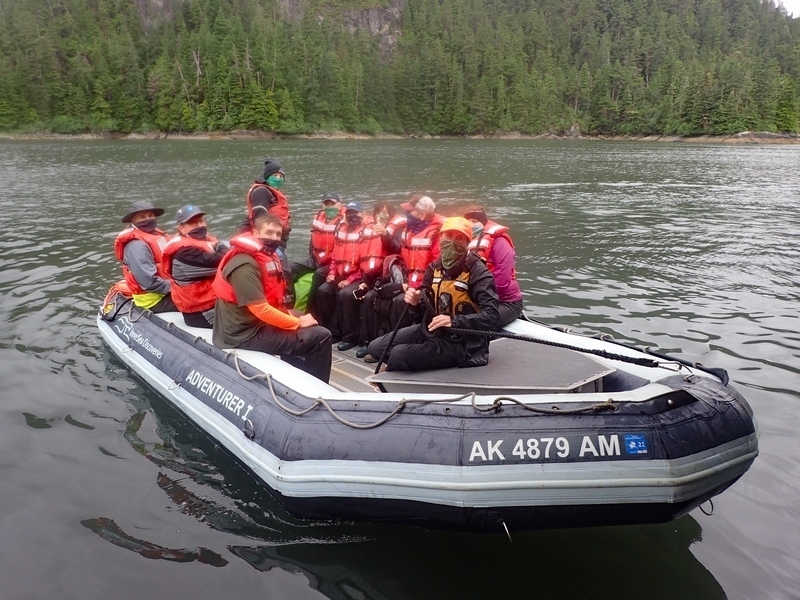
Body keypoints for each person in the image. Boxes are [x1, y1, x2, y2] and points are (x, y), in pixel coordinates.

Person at [366, 217, 500, 371]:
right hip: (432, 331)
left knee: (398, 354)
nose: (452, 242)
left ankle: (396, 371)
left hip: (462, 343)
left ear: (467, 243)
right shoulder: (433, 268)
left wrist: (455, 321)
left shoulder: (478, 272)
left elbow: (492, 318)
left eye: (459, 238)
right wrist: (415, 304)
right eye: (448, 236)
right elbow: (421, 314)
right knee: (376, 347)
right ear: (440, 238)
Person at [212, 212, 332, 383]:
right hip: (243, 333)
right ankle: (317, 390)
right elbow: (260, 309)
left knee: (297, 313)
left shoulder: (263, 257)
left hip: (252, 322)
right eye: (269, 233)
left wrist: (294, 318)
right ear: (255, 233)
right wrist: (296, 323)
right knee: (321, 336)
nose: (274, 238)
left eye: (278, 234)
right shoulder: (245, 264)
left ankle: (295, 373)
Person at [161, 205, 229, 328]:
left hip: (218, 304)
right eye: (193, 223)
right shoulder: (184, 253)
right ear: (181, 228)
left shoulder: (203, 241)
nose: (200, 226)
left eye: (201, 221)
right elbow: (230, 262)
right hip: (203, 313)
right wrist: (219, 245)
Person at [315, 201, 368, 347]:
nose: (352, 216)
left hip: (359, 277)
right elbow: (335, 257)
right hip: (341, 273)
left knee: (345, 294)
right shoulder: (341, 230)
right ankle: (328, 331)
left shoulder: (366, 233)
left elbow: (365, 264)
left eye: (355, 213)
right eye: (349, 213)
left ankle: (350, 337)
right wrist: (332, 273)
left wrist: (350, 279)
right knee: (323, 291)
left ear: (362, 214)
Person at [463, 205, 523, 326]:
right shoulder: (466, 243)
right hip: (479, 300)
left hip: (506, 302)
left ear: (484, 221)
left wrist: (479, 297)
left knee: (479, 323)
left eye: (475, 221)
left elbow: (502, 279)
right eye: (468, 222)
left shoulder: (500, 241)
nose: (471, 224)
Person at [114, 200, 176, 313]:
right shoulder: (136, 245)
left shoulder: (156, 235)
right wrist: (180, 288)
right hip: (155, 300)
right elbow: (149, 283)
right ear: (133, 220)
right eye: (142, 217)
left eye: (150, 215)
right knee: (205, 300)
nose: (148, 219)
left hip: (167, 289)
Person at [294, 192, 345, 318]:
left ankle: (310, 312)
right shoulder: (318, 217)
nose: (329, 207)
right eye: (326, 204)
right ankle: (289, 304)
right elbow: (313, 241)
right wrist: (312, 255)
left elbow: (343, 248)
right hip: (316, 258)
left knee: (318, 275)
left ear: (339, 205)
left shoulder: (344, 221)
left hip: (331, 262)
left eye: (332, 203)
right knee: (291, 268)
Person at [244, 158, 291, 247]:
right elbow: (259, 219)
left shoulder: (273, 193)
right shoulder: (262, 192)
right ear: (267, 177)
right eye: (275, 175)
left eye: (281, 176)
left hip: (277, 238)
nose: (278, 178)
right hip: (269, 242)